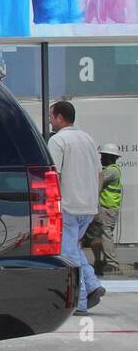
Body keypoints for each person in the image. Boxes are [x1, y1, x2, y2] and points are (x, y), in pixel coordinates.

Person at [47, 101, 104, 313]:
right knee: (74, 248)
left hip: (69, 206)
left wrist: (52, 204)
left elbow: (55, 175)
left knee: (68, 254)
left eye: (51, 117)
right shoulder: (88, 139)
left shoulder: (58, 140)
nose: (50, 121)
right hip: (88, 207)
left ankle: (78, 302)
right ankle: (93, 285)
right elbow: (99, 173)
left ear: (60, 118)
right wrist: (93, 199)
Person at [84, 143, 123, 278]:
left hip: (108, 208)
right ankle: (104, 261)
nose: (101, 159)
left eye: (103, 156)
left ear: (109, 157)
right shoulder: (112, 169)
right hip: (108, 208)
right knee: (102, 235)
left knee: (106, 235)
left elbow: (97, 180)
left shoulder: (111, 171)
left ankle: (112, 264)